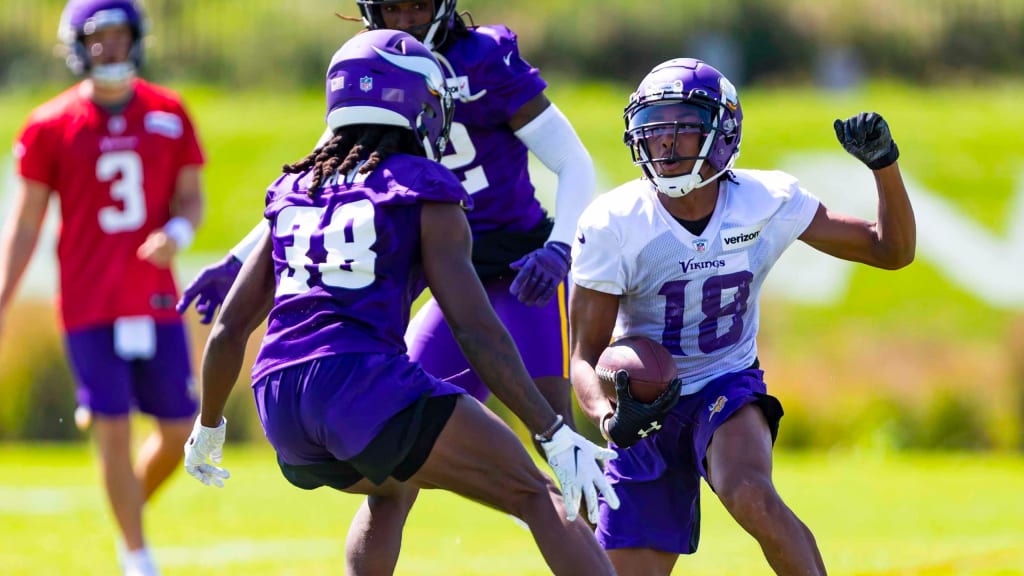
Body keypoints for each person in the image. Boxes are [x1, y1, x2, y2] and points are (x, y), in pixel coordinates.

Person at [177, 1, 596, 572]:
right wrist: (546, 431)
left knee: (392, 483)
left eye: (415, 6)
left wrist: (207, 424)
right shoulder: (423, 186)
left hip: (282, 402)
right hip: (373, 372)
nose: (404, 20)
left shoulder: (297, 188)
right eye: (392, 8)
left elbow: (230, 326)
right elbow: (474, 328)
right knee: (543, 484)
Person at [569, 58, 916, 575]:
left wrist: (884, 165)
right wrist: (609, 417)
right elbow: (583, 355)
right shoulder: (614, 222)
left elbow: (891, 250)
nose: (664, 144)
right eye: (655, 128)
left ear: (722, 132)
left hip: (724, 382)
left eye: (682, 129)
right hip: (641, 400)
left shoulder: (764, 201)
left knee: (749, 493)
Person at [0, 1, 205, 575]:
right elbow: (26, 223)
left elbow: (192, 196)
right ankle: (136, 556)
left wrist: (179, 231)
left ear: (137, 39)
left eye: (119, 36)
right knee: (113, 426)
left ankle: (125, 511)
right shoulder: (50, 124)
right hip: (89, 301)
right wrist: (3, 297)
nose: (109, 48)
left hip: (157, 295)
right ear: (77, 45)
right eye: (97, 37)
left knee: (178, 430)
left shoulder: (169, 112)